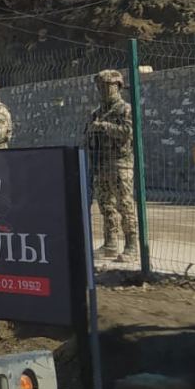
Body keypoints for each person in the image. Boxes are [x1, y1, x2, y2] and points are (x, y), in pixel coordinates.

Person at [86, 69, 137, 261]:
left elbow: (127, 132)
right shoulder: (96, 113)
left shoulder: (125, 109)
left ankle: (131, 245)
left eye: (108, 86)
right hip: (101, 163)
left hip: (120, 163)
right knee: (106, 205)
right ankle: (110, 243)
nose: (104, 90)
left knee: (124, 205)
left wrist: (104, 127)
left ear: (118, 86)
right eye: (101, 86)